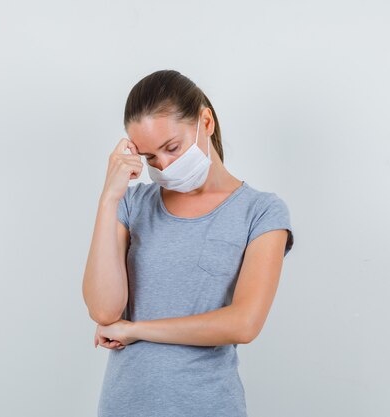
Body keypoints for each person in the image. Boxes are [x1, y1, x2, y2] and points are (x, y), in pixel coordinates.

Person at [82, 69, 294, 417]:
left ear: (205, 122)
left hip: (208, 406)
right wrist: (109, 198)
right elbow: (104, 311)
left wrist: (137, 330)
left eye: (172, 147)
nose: (164, 165)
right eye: (150, 157)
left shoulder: (261, 212)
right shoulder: (132, 204)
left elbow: (243, 324)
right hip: (124, 405)